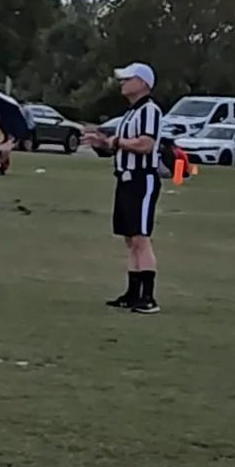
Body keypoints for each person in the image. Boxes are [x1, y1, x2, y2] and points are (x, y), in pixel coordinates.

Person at [84, 63, 167, 311]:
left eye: (127, 79)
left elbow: (145, 145)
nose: (122, 83)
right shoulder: (131, 113)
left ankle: (148, 297)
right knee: (131, 238)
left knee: (141, 237)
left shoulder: (150, 111)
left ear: (142, 83)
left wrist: (117, 141)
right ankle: (132, 293)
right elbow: (121, 146)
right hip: (125, 178)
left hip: (142, 178)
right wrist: (102, 143)